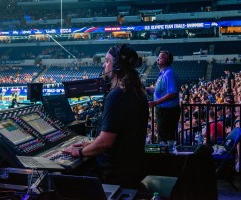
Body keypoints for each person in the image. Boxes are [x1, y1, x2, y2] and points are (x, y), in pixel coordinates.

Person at [63, 44, 149, 188]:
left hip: (114, 174)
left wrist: (79, 151)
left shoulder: (117, 95)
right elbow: (120, 137)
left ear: (117, 66)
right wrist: (90, 144)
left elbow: (105, 143)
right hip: (132, 169)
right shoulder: (138, 93)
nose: (104, 65)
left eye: (107, 61)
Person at [147, 51, 180, 142]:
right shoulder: (163, 73)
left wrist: (155, 102)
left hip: (167, 112)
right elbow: (163, 90)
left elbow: (172, 93)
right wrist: (149, 89)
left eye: (160, 57)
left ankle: (166, 155)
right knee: (163, 136)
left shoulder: (168, 74)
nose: (158, 59)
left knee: (166, 138)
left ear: (167, 60)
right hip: (163, 111)